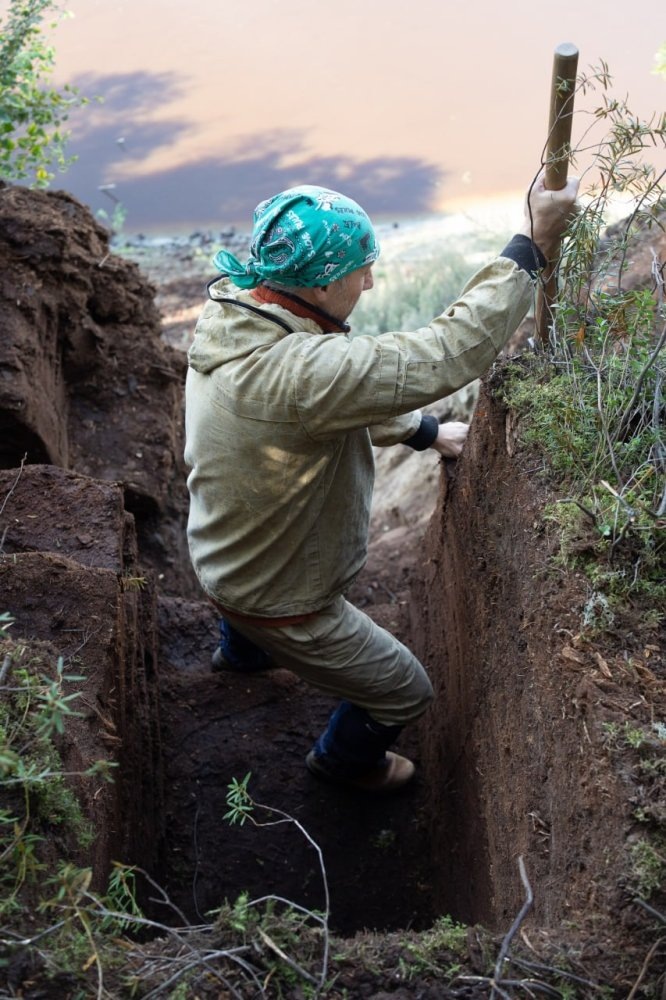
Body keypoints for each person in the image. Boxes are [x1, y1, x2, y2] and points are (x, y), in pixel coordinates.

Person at [184, 173, 579, 793]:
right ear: (318, 283)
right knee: (405, 691)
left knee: (245, 609)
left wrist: (423, 431)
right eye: (359, 271)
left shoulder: (235, 314)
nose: (369, 283)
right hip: (282, 603)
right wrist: (530, 244)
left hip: (218, 557)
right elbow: (446, 353)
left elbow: (318, 403)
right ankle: (343, 765)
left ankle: (241, 653)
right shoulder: (302, 374)